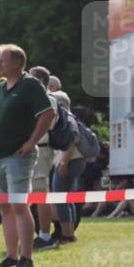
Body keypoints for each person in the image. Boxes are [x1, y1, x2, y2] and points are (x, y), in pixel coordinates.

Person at [0, 44, 57, 267]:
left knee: (19, 206)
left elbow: (48, 113)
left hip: (18, 156)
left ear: (17, 63)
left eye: (2, 60)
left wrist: (31, 142)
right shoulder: (1, 87)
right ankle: (11, 257)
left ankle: (26, 258)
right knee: (5, 208)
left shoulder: (30, 85)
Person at [27, 66, 59, 250]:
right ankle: (37, 233)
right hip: (35, 149)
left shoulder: (48, 99)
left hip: (42, 148)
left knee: (40, 194)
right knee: (33, 194)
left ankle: (45, 236)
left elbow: (46, 123)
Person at [49, 89, 86, 244]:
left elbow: (71, 141)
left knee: (60, 198)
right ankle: (69, 234)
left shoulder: (67, 119)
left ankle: (67, 235)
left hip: (69, 160)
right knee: (66, 198)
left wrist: (63, 162)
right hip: (72, 160)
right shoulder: (70, 118)